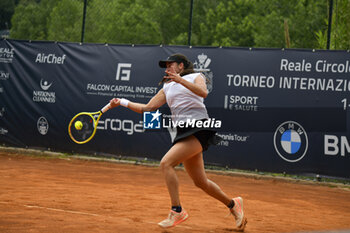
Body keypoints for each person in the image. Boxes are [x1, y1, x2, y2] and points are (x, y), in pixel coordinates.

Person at [108, 53, 247, 230]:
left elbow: (203, 92)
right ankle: (233, 204)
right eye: (165, 67)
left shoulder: (196, 76)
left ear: (181, 66)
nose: (167, 69)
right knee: (201, 182)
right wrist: (122, 102)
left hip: (199, 128)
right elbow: (148, 108)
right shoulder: (167, 86)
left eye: (170, 65)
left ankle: (177, 211)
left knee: (166, 163)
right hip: (183, 131)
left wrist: (180, 81)